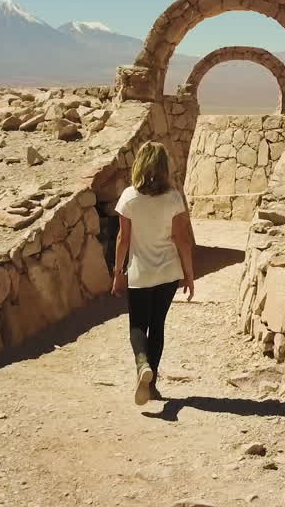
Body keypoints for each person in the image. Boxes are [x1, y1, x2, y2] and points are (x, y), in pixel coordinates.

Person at [111, 140, 196, 406]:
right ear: (163, 167)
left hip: (140, 273)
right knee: (157, 325)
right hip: (168, 273)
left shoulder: (129, 197)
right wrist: (189, 274)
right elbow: (182, 239)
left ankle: (141, 365)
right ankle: (152, 384)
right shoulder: (172, 198)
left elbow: (123, 239)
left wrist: (118, 272)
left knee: (138, 325)